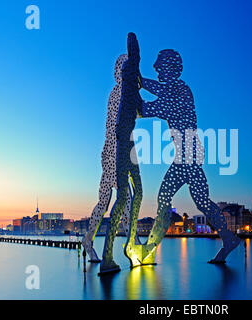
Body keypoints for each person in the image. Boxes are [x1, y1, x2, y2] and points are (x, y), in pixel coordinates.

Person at [131, 49, 241, 265]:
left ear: (171, 68)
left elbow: (147, 108)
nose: (155, 68)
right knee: (202, 202)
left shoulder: (181, 93)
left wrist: (134, 89)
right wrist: (140, 81)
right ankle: (229, 238)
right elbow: (159, 90)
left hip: (187, 156)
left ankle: (149, 249)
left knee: (165, 198)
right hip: (189, 155)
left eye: (160, 65)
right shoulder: (176, 89)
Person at [99, 33, 144, 274]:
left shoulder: (132, 93)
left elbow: (144, 110)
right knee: (125, 197)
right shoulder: (128, 88)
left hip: (130, 145)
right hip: (123, 146)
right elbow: (135, 55)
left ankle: (130, 244)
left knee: (137, 194)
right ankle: (108, 256)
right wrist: (132, 39)